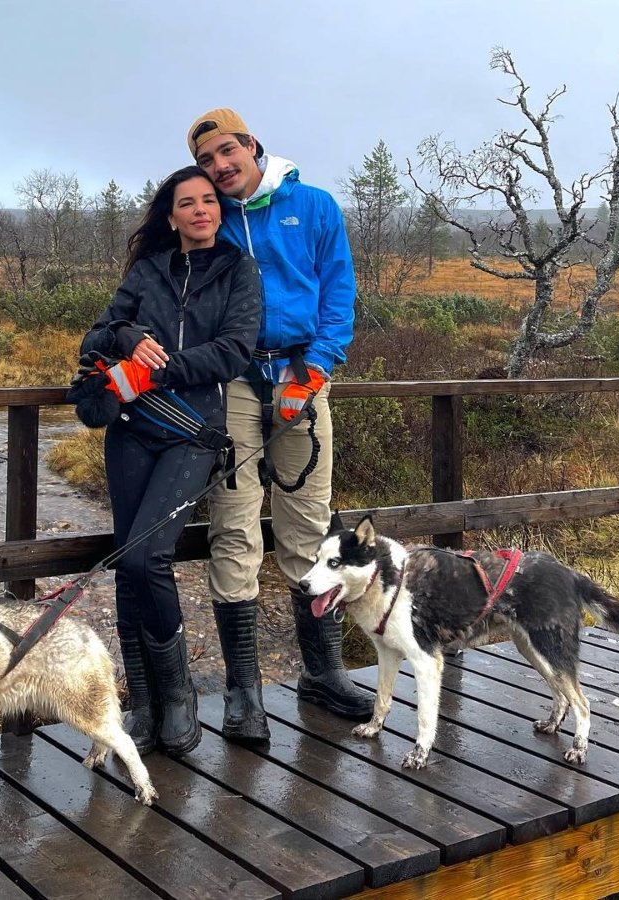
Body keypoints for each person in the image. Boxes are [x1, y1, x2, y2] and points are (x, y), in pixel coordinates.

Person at [185, 108, 374, 743]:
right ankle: (245, 692)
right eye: (208, 160)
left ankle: (321, 673)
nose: (220, 167)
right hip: (235, 380)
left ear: (252, 144)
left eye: (226, 152)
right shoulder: (211, 218)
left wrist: (315, 368)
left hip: (302, 376)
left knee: (306, 526)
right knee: (234, 528)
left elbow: (338, 293)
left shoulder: (315, 206)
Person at [69, 165, 261, 756]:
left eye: (210, 201)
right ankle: (145, 704)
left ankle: (179, 696)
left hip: (192, 433)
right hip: (130, 430)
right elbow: (95, 338)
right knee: (127, 561)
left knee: (149, 556)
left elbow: (234, 351)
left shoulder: (238, 270)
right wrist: (126, 339)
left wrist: (161, 369)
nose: (202, 210)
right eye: (188, 203)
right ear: (171, 215)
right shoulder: (148, 271)